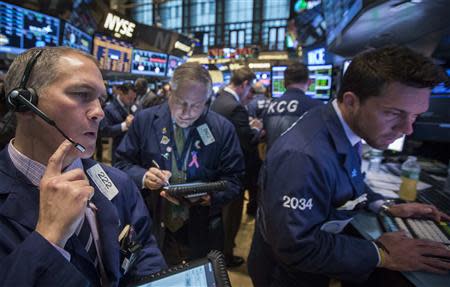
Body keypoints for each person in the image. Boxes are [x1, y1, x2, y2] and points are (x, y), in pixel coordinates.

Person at [248, 45, 450, 287]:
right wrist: (381, 254)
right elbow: (295, 246)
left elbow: (347, 179)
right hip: (284, 275)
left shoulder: (343, 126)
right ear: (351, 101)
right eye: (394, 113)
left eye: (416, 116)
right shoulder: (303, 157)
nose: (407, 129)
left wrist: (383, 206)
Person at [0, 47, 166, 286]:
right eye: (81, 94)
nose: (99, 112)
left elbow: (144, 255)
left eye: (101, 99)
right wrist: (48, 238)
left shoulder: (118, 183)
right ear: (24, 103)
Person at [114, 63, 245, 266]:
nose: (187, 112)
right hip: (153, 226)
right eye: (181, 102)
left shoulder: (222, 129)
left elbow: (235, 179)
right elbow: (121, 164)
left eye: (196, 105)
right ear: (170, 93)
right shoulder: (144, 121)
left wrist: (211, 196)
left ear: (207, 101)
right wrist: (143, 177)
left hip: (202, 229)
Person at [211, 67, 262, 266]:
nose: (249, 92)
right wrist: (257, 130)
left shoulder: (219, 99)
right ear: (244, 84)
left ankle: (220, 253)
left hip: (217, 167)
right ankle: (226, 256)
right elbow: (247, 142)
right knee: (230, 218)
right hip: (233, 172)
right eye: (249, 87)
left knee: (221, 216)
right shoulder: (235, 107)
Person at [263, 62, 323, 150]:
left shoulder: (270, 106)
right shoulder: (317, 107)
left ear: (284, 83)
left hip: (272, 161)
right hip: (299, 162)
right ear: (309, 82)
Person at [99, 83, 136, 164]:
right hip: (118, 150)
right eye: (129, 98)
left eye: (134, 99)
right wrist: (125, 125)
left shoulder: (133, 106)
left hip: (133, 149)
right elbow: (105, 131)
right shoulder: (109, 109)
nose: (132, 101)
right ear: (121, 94)